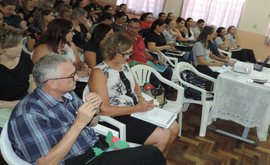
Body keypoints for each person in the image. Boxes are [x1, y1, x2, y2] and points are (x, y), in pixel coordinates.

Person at [8, 54, 166, 165]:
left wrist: (95, 110)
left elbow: (92, 124)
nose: (77, 77)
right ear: (52, 83)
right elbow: (47, 162)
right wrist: (78, 124)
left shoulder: (67, 95)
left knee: (144, 154)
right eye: (71, 76)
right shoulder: (29, 114)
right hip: (76, 160)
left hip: (95, 145)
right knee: (150, 154)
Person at [88, 32, 179, 156]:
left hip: (134, 110)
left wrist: (140, 98)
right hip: (115, 118)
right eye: (125, 54)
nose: (129, 57)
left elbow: (136, 85)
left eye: (130, 53)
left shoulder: (124, 64)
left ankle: (160, 161)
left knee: (174, 128)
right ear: (111, 51)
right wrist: (136, 108)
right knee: (163, 136)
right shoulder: (99, 72)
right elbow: (103, 110)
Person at [126, 18, 173, 95]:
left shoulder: (139, 37)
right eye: (131, 27)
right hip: (135, 66)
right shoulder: (124, 38)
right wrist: (145, 65)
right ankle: (154, 96)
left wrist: (153, 60)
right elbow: (128, 60)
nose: (132, 30)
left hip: (146, 63)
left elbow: (144, 51)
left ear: (139, 29)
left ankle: (164, 95)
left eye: (136, 28)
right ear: (127, 26)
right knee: (155, 76)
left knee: (168, 71)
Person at [0, 29, 36, 110]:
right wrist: (13, 104)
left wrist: (34, 96)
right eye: (16, 45)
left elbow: (31, 80)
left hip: (23, 98)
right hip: (4, 105)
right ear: (2, 49)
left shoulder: (24, 57)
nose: (21, 47)